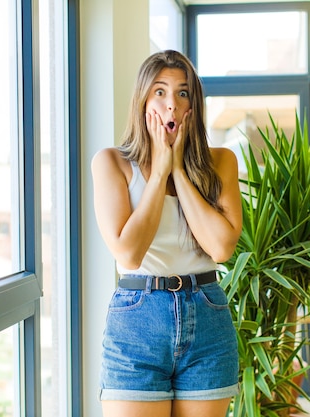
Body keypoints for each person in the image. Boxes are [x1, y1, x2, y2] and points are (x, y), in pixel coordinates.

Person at [91, 50, 243, 417]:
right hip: (138, 319)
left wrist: (178, 170)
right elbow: (129, 255)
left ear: (195, 103)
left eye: (182, 92)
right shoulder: (112, 162)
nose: (171, 104)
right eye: (159, 92)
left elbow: (221, 247)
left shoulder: (221, 161)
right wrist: (158, 172)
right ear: (142, 99)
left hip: (206, 314)